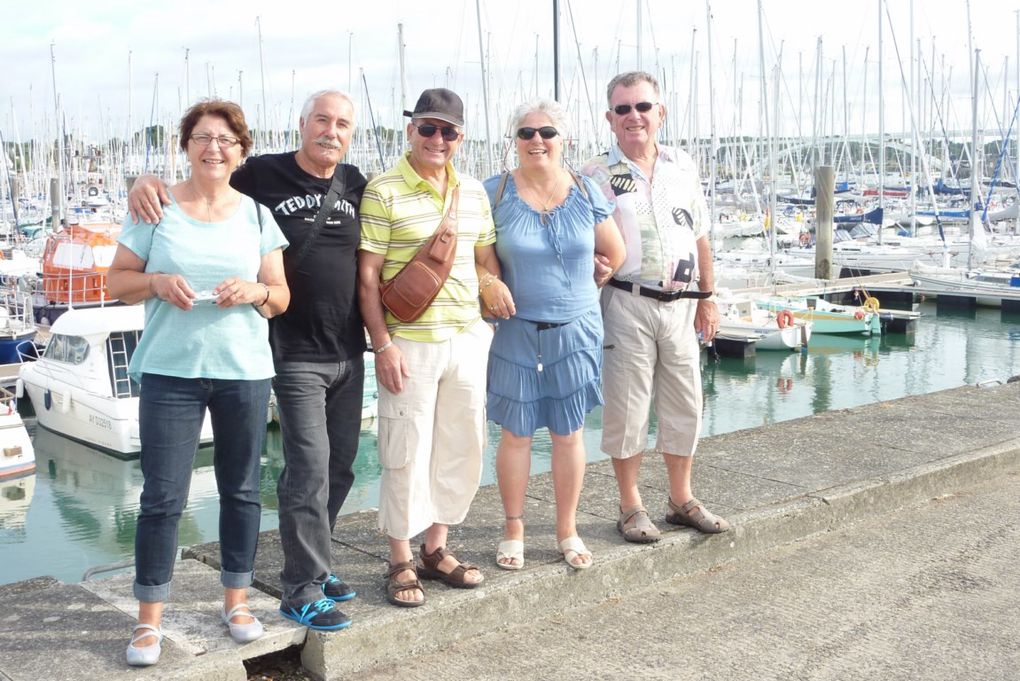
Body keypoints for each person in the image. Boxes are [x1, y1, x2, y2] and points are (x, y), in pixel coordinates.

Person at [127, 90, 367, 631]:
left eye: (342, 124)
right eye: (321, 120)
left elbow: (361, 257)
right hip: (283, 352)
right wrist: (142, 181)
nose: (331, 131)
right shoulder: (260, 174)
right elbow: (204, 174)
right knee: (299, 470)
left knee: (335, 467)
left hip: (344, 349)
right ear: (301, 124)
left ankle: (313, 564)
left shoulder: (355, 183)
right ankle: (298, 586)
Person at [108, 99, 290, 667]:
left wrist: (254, 291)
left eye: (227, 139)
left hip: (243, 373)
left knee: (240, 490)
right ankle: (148, 622)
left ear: (241, 151)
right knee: (162, 498)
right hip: (170, 371)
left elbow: (280, 297)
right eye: (203, 137)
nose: (215, 148)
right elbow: (117, 282)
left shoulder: (257, 216)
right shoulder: (153, 209)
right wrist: (157, 282)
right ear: (186, 146)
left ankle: (236, 603)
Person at [359, 88, 501, 607]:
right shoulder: (383, 189)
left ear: (460, 138)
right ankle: (399, 558)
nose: (437, 139)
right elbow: (367, 279)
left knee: (461, 446)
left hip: (465, 338)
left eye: (449, 131)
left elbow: (485, 261)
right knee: (405, 450)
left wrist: (491, 290)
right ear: (411, 129)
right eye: (428, 128)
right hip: (409, 343)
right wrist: (382, 344)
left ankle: (435, 549)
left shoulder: (474, 192)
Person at [581, 71, 730, 544]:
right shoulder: (594, 175)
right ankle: (630, 506)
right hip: (627, 300)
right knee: (627, 407)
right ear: (609, 118)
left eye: (642, 106)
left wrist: (708, 296)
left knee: (686, 402)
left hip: (682, 306)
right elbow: (585, 244)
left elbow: (700, 234)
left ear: (659, 113)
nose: (634, 116)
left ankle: (681, 499)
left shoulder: (681, 165)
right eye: (622, 109)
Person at [482, 99, 625, 571]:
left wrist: (601, 272)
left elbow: (615, 252)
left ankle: (567, 529)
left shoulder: (585, 190)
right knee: (516, 434)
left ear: (562, 140)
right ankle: (514, 528)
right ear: (515, 142)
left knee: (569, 433)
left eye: (546, 132)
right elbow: (480, 259)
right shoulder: (495, 192)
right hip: (516, 331)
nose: (536, 141)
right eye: (526, 133)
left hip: (577, 328)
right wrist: (489, 281)